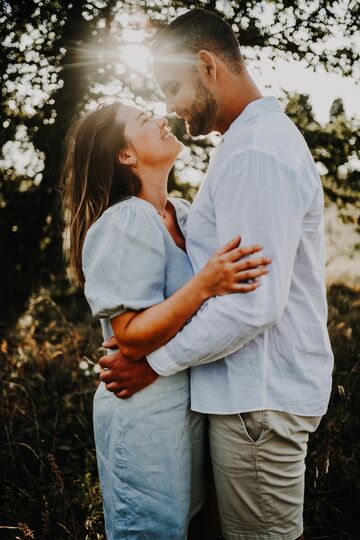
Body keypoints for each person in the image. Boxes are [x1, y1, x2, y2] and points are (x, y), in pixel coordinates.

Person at [100, 8, 334, 540]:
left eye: (172, 86)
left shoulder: (256, 150)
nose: (169, 106)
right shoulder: (244, 146)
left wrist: (153, 364)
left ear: (207, 66)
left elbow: (254, 303)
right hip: (245, 398)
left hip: (257, 398)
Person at [61, 100, 271, 539]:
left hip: (186, 409)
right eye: (143, 120)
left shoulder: (182, 212)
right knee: (152, 530)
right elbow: (131, 338)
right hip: (144, 418)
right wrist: (207, 283)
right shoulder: (126, 220)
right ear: (126, 156)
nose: (161, 119)